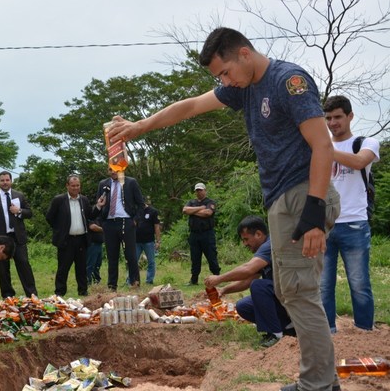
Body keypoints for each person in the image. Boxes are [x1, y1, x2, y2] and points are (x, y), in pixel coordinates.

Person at [107, 27, 341, 391]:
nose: (223, 81)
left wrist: (313, 214)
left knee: (300, 291)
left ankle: (320, 385)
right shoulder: (243, 89)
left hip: (302, 195)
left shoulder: (288, 81)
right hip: (281, 200)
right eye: (218, 77)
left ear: (244, 54)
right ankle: (318, 380)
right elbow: (191, 106)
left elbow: (322, 146)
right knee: (289, 289)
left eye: (224, 72)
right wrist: (141, 126)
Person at [320, 95, 380, 333]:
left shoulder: (366, 142)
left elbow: (358, 162)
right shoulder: (320, 146)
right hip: (324, 224)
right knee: (323, 285)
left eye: (337, 117)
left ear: (350, 116)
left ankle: (364, 331)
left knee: (359, 283)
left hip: (355, 223)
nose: (333, 123)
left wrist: (324, 149)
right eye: (328, 118)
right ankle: (328, 332)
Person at [204, 216, 293, 348]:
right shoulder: (264, 250)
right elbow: (248, 280)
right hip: (281, 297)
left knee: (259, 286)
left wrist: (219, 278)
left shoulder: (270, 245)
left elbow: (248, 269)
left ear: (258, 234)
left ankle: (275, 334)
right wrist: (224, 290)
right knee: (243, 306)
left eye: (246, 239)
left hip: (291, 297)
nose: (245, 244)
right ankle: (287, 328)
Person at [0, 171, 37, 298]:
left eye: (7, 180)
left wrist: (19, 211)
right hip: (0, 238)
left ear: (11, 181)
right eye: (2, 180)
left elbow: (29, 213)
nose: (5, 182)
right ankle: (7, 295)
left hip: (17, 237)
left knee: (23, 264)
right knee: (3, 268)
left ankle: (32, 294)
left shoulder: (20, 195)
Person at [45, 175, 103, 297]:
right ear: (67, 186)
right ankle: (59, 293)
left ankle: (83, 291)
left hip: (81, 239)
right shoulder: (59, 200)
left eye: (78, 185)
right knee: (63, 268)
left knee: (81, 268)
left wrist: (98, 206)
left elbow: (90, 216)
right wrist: (60, 229)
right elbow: (50, 217)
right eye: (73, 186)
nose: (76, 188)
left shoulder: (84, 200)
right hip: (66, 240)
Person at [96, 167, 145, 291]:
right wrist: (102, 221)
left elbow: (140, 204)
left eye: (115, 170)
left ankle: (135, 284)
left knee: (131, 255)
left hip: (126, 221)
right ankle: (112, 286)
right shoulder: (103, 184)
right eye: (110, 169)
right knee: (112, 257)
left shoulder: (130, 182)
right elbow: (98, 204)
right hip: (109, 222)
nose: (113, 172)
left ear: (121, 169)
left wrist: (135, 220)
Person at [183, 183, 221, 285]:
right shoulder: (192, 201)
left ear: (205, 190)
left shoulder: (210, 202)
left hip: (207, 234)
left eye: (200, 190)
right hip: (194, 234)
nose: (198, 192)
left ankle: (217, 277)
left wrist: (193, 211)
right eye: (197, 190)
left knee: (211, 256)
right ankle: (194, 280)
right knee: (195, 258)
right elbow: (185, 210)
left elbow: (208, 213)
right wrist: (200, 208)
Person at [135, 197, 161, 285]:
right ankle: (132, 280)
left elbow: (157, 227)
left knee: (151, 261)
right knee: (133, 261)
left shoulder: (153, 211)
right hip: (136, 241)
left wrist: (158, 241)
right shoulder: (136, 211)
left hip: (149, 241)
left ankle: (149, 280)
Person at [86, 218, 104, 285]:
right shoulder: (90, 216)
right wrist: (104, 229)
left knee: (97, 264)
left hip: (99, 244)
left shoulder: (99, 217)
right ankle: (88, 282)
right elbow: (92, 227)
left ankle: (97, 281)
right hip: (92, 244)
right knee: (90, 264)